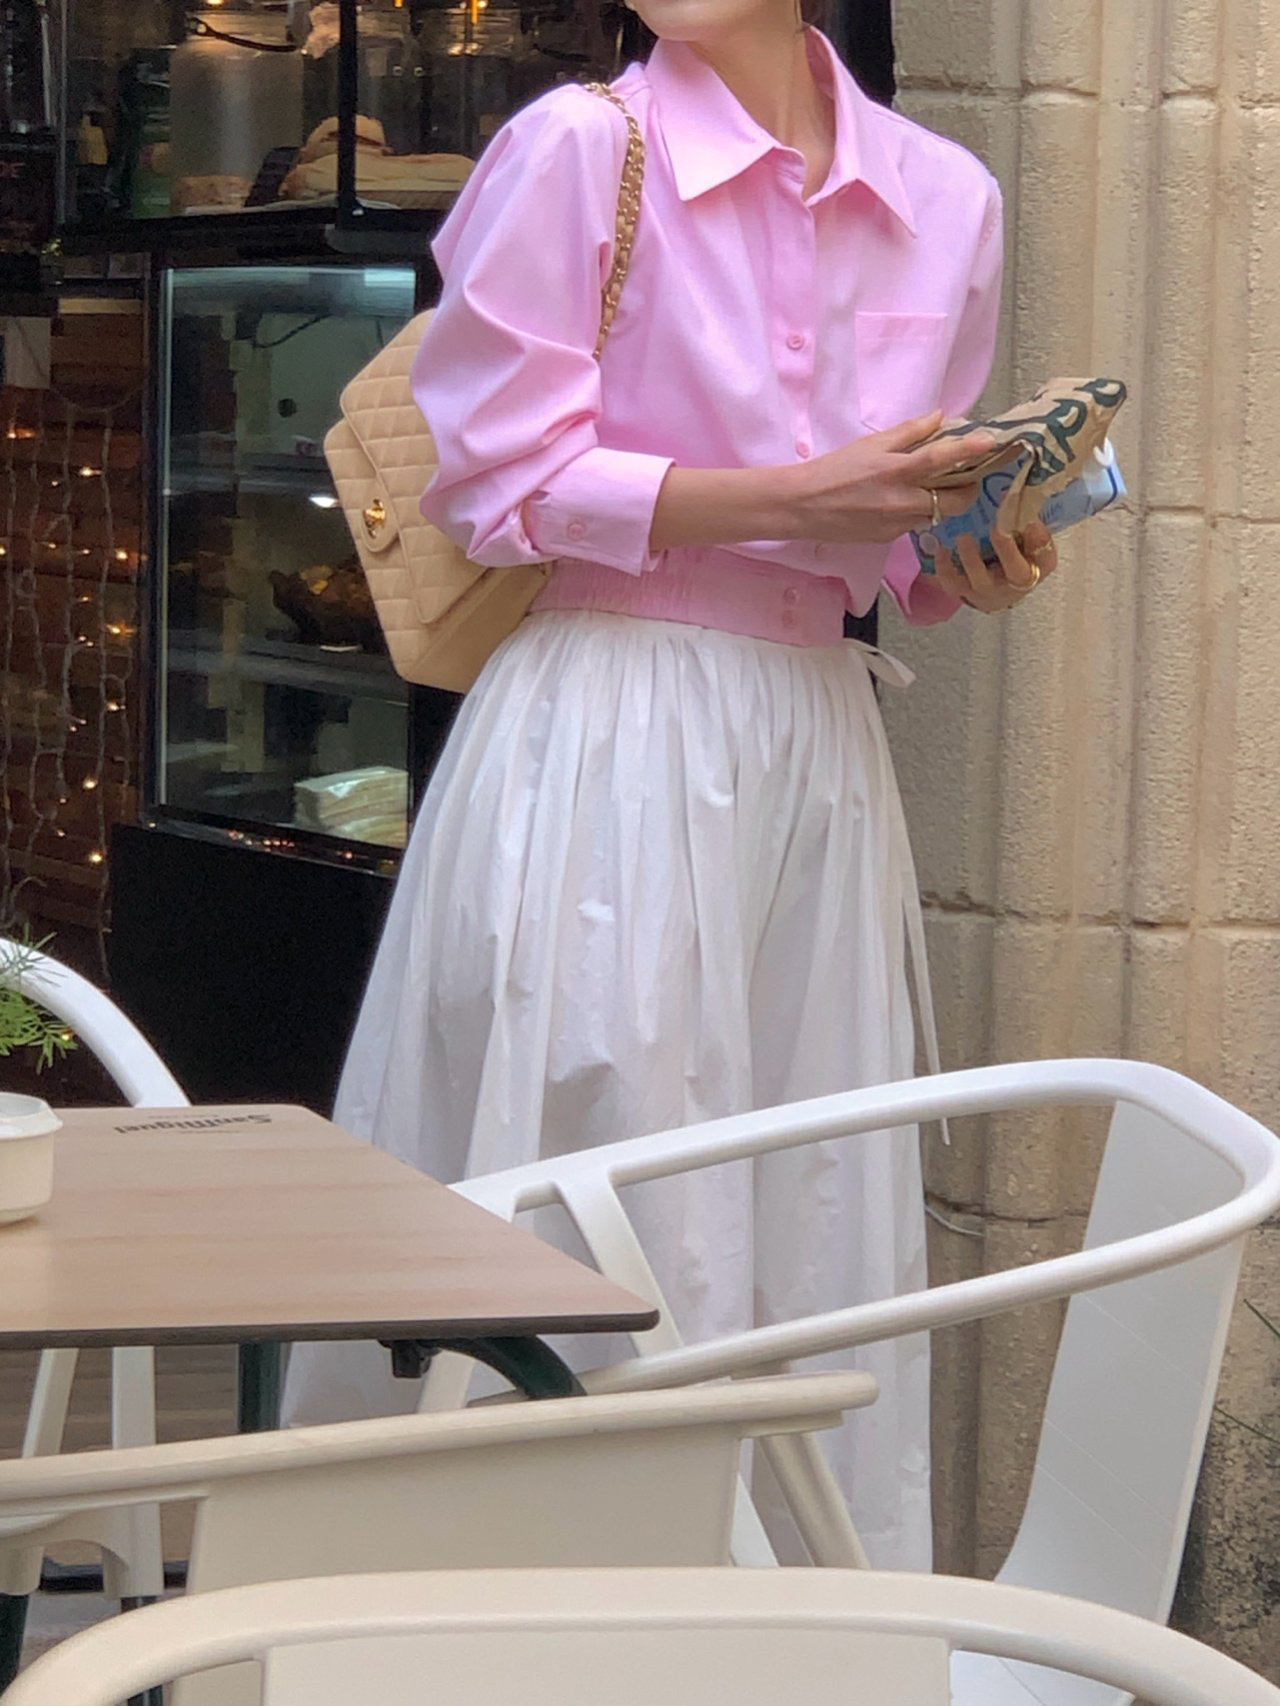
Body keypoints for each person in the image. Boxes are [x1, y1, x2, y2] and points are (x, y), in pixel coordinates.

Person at [282, 0, 1058, 1569]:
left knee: (812, 1210)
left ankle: (784, 1638)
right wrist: (793, 494)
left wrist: (972, 555)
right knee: (591, 1189)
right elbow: (497, 483)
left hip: (816, 754)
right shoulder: (580, 150)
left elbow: (897, 545)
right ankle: (513, 1634)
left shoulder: (948, 199)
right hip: (610, 733)